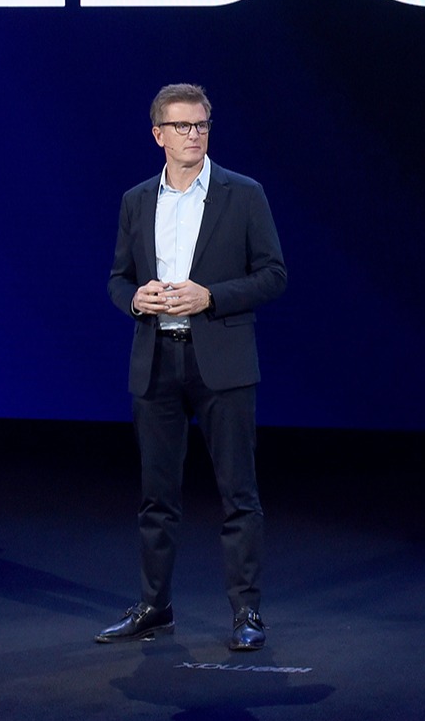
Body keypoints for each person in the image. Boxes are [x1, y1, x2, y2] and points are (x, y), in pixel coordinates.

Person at [95, 83, 287, 652]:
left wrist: (212, 297)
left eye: (201, 125)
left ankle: (247, 613)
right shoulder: (136, 200)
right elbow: (118, 279)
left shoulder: (243, 193)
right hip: (157, 360)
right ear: (159, 134)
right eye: (182, 126)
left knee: (239, 493)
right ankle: (155, 607)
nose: (194, 135)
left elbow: (273, 274)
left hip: (222, 361)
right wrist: (136, 300)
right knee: (157, 496)